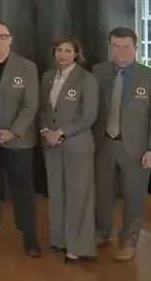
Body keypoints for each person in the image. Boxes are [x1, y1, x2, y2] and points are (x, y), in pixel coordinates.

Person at [93, 27, 151, 262]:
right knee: (102, 194)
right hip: (104, 144)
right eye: (115, 46)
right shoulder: (99, 72)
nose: (120, 51)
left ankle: (128, 241)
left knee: (134, 197)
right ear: (110, 46)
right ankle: (102, 232)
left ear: (135, 47)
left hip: (137, 148)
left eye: (126, 46)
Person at [0, 22, 40, 256]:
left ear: (10, 39)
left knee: (22, 190)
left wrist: (13, 131)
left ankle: (29, 236)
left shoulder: (27, 67)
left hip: (18, 141)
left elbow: (31, 104)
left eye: (2, 36)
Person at [40, 35, 98, 265]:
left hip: (77, 146)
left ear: (76, 54)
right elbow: (43, 110)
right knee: (56, 193)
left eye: (67, 50)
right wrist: (46, 130)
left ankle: (78, 247)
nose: (63, 55)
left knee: (78, 196)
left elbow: (89, 116)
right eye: (59, 50)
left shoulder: (87, 79)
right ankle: (60, 240)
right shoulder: (47, 77)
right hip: (52, 145)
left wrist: (62, 132)